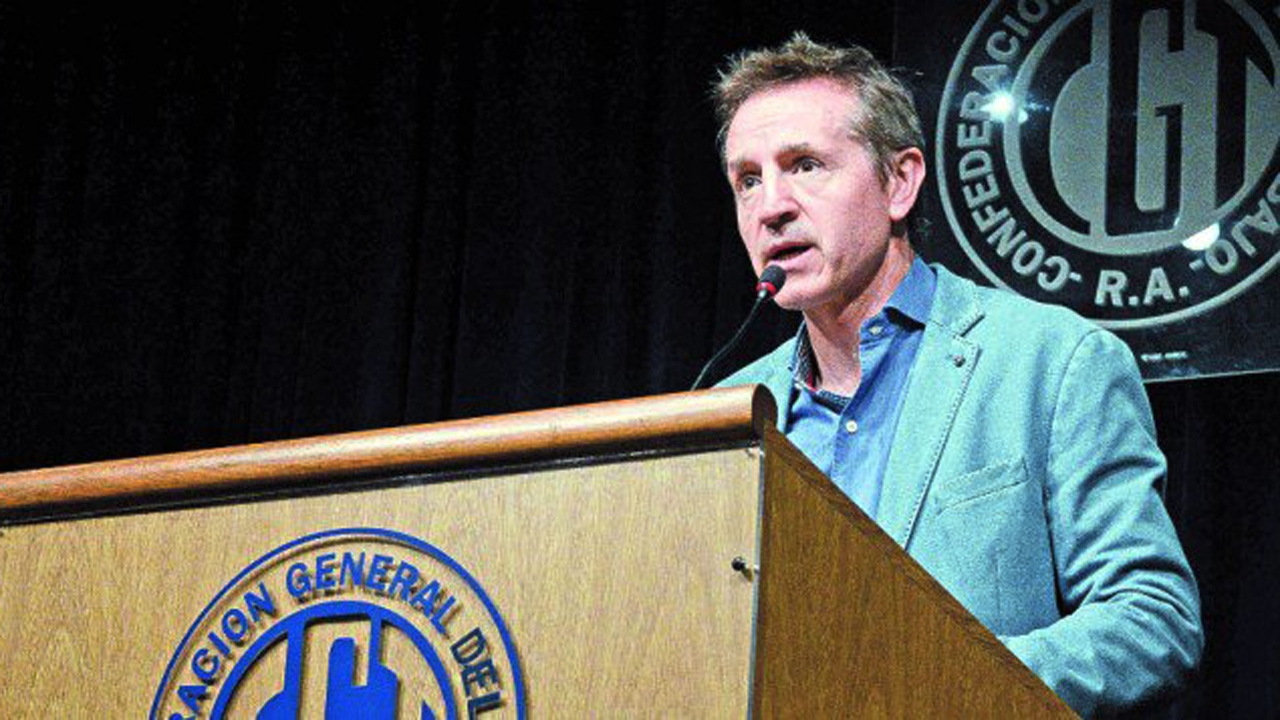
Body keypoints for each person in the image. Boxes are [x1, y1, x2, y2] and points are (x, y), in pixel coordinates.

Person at [713, 33, 1202, 717]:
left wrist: (940, 681)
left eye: (806, 165)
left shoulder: (1052, 361)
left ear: (900, 182)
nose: (772, 206)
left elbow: (1150, 619)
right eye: (748, 180)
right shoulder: (728, 413)